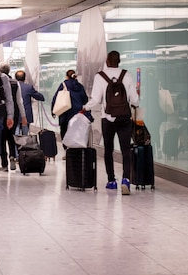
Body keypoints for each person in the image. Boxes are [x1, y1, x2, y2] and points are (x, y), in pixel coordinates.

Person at [83, 51, 139, 195]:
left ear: (107, 61)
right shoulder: (127, 75)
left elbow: (95, 100)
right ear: (119, 61)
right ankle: (126, 179)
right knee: (126, 150)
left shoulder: (100, 76)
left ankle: (111, 181)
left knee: (108, 150)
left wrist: (85, 107)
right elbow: (135, 100)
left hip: (107, 118)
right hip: (124, 118)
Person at [51, 69, 88, 158]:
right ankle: (76, 151)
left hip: (65, 112)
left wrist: (53, 110)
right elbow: (85, 100)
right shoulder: (80, 86)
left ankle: (66, 151)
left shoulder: (63, 85)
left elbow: (56, 98)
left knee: (64, 131)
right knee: (76, 132)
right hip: (77, 113)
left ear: (67, 76)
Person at [0, 63, 27, 171]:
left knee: (1, 138)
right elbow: (20, 101)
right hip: (14, 114)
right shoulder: (15, 83)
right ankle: (12, 157)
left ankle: (4, 164)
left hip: (1, 113)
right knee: (11, 136)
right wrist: (23, 116)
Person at [15, 70, 45, 135]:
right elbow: (39, 96)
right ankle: (24, 144)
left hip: (15, 115)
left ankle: (16, 145)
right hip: (25, 115)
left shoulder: (12, 87)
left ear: (15, 78)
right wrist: (42, 97)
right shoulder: (28, 87)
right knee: (25, 135)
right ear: (24, 78)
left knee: (15, 134)